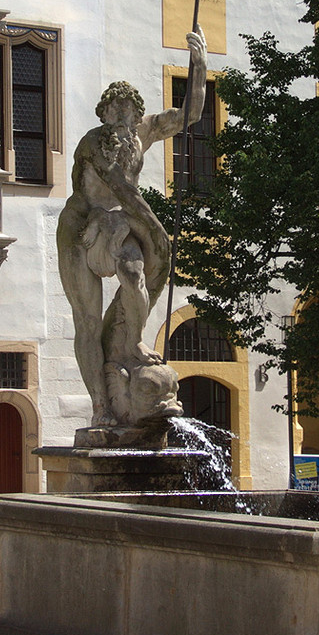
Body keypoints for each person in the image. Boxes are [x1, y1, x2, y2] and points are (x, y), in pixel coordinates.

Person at [55, 30, 207, 429]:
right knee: (86, 321)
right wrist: (154, 229)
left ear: (138, 115)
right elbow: (121, 185)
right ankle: (101, 406)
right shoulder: (94, 142)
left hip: (118, 220)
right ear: (103, 113)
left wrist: (199, 66)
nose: (122, 114)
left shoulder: (143, 133)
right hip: (80, 226)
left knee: (136, 273)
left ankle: (135, 337)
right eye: (114, 108)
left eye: (129, 108)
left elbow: (190, 115)